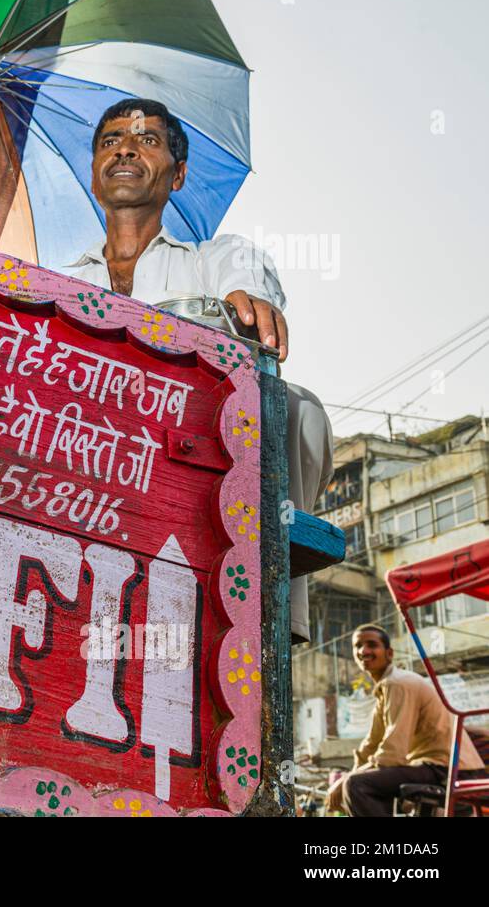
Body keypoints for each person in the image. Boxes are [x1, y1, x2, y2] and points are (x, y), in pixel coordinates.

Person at [65, 98, 333, 644]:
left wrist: (245, 302)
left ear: (178, 173)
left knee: (295, 407)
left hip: (191, 454)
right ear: (95, 172)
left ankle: (270, 615)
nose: (125, 150)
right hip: (87, 460)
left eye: (147, 140)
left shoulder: (213, 258)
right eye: (111, 140)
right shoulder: (54, 280)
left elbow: (247, 283)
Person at [326, 624, 485, 816]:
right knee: (357, 782)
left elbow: (393, 752)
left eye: (372, 645)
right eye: (358, 646)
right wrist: (346, 776)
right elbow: (371, 744)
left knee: (357, 785)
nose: (363, 651)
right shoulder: (385, 688)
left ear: (389, 653)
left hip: (447, 768)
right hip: (431, 766)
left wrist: (347, 780)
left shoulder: (398, 683)